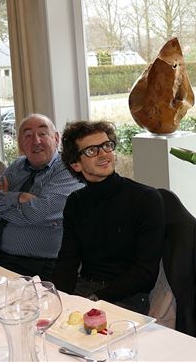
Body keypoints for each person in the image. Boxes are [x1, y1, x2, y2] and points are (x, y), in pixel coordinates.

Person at [52, 121, 165, 315]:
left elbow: (145, 272)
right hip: (85, 289)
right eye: (92, 150)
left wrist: (96, 299)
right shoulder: (75, 202)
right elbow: (67, 261)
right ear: (76, 164)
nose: (104, 154)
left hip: (128, 298)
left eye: (106, 145)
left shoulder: (145, 198)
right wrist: (56, 298)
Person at [0, 114, 84, 280]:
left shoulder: (68, 169)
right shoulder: (18, 165)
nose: (36, 141)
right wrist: (18, 198)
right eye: (28, 135)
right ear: (20, 144)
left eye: (42, 134)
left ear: (56, 138)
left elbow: (38, 213)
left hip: (40, 265)